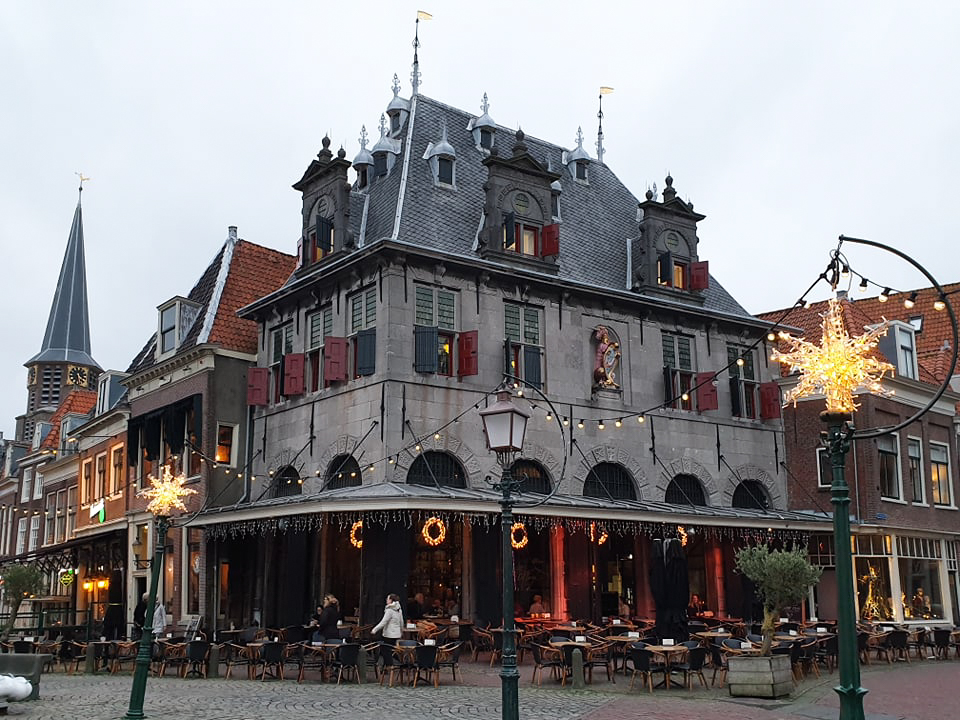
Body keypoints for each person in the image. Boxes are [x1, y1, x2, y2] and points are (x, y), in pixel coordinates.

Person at [372, 593, 404, 667]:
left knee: (385, 650)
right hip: (396, 634)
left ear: (391, 600)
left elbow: (384, 622)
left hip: (389, 634)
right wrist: (401, 631)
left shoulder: (389, 610)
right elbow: (401, 621)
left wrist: (374, 629)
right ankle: (389, 665)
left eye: (388, 598)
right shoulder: (399, 609)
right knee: (391, 649)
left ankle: (389, 665)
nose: (386, 600)